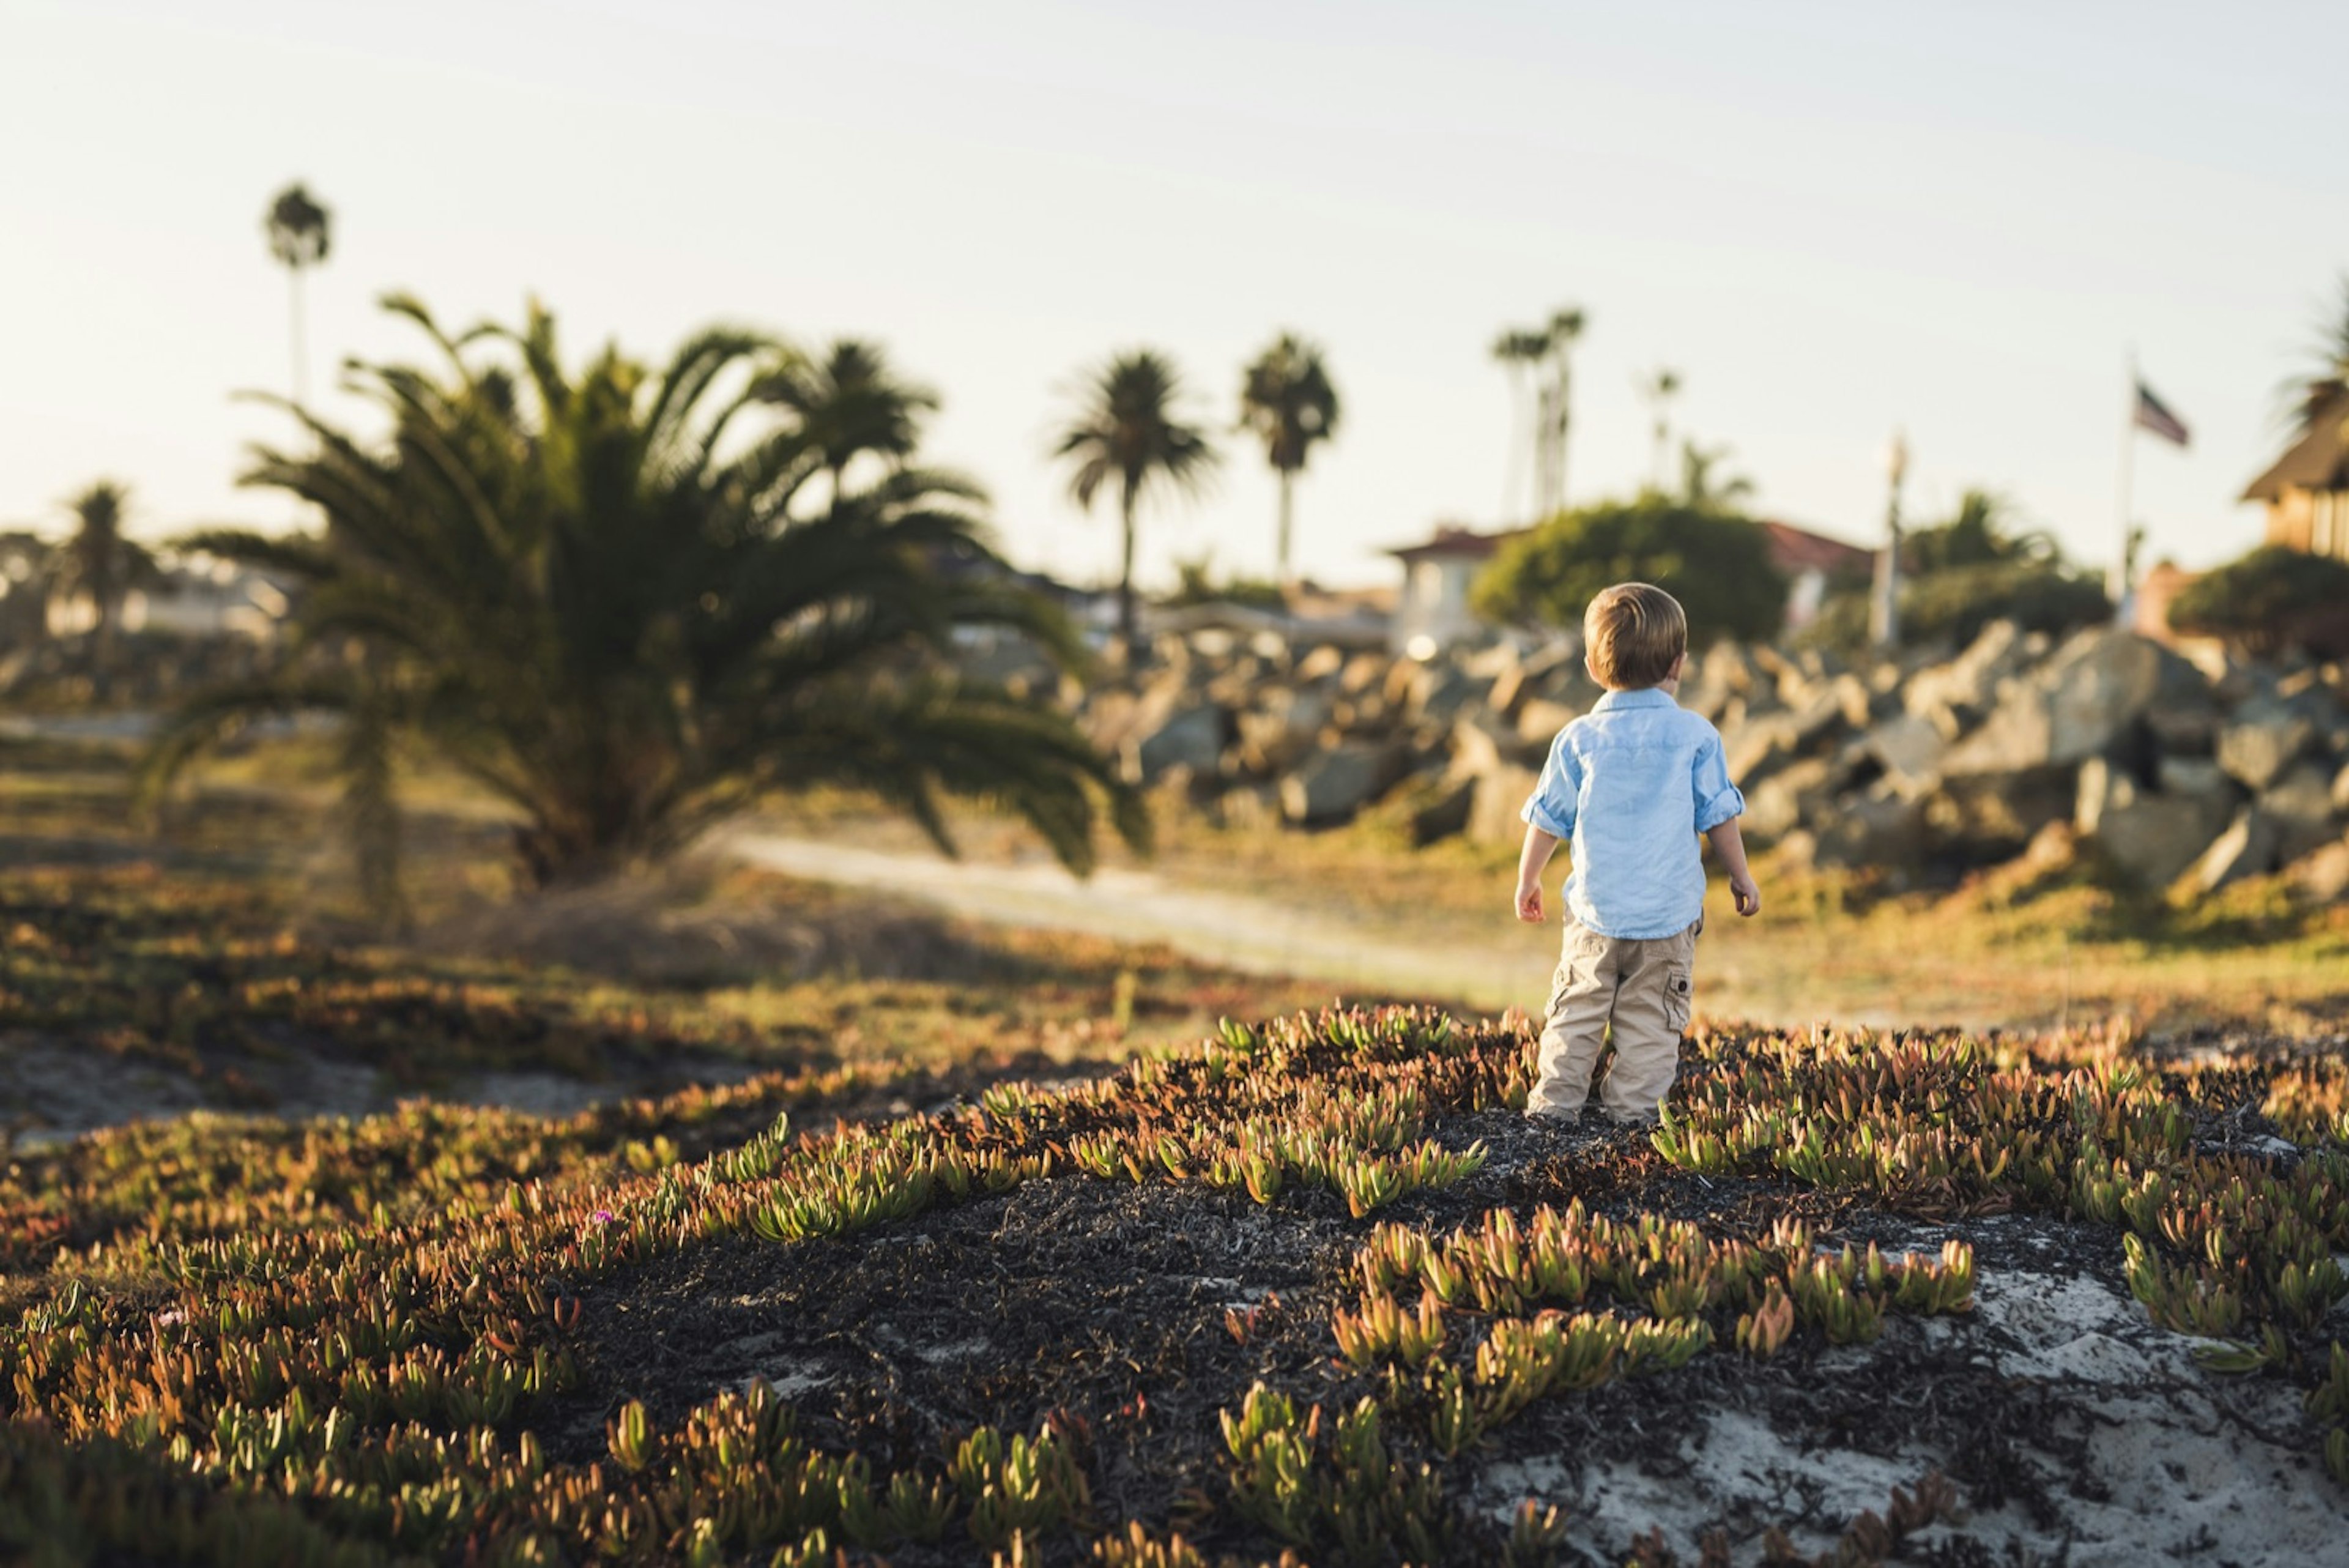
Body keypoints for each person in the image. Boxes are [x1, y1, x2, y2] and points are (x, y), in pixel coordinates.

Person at [1512, 581, 1761, 1125]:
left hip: (1595, 913)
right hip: (1667, 917)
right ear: (1679, 662)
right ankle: (1632, 1117)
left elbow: (1548, 815)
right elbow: (1719, 813)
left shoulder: (1578, 739)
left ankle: (1554, 1109)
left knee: (1576, 1011)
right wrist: (1740, 875)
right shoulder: (1696, 735)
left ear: (1592, 667)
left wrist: (1529, 878)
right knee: (1652, 1022)